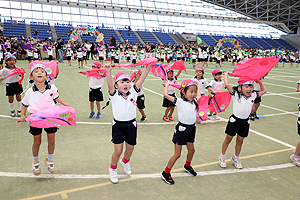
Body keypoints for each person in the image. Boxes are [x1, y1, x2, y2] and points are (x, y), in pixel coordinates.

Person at [104, 63, 151, 184]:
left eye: (127, 81)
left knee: (130, 149)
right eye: (122, 82)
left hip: (131, 125)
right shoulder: (113, 94)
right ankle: (113, 169)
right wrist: (108, 72)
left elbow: (142, 79)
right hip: (118, 126)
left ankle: (125, 161)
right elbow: (109, 84)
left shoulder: (134, 92)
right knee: (118, 151)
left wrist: (148, 68)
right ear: (116, 85)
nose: (125, 84)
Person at [19, 63, 69, 175]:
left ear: (46, 76)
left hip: (51, 118)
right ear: (31, 77)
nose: (39, 73)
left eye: (42, 71)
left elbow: (56, 97)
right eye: (36, 71)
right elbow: (24, 104)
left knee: (51, 140)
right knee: (37, 142)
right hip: (35, 119)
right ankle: (35, 162)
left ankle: (49, 160)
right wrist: (23, 115)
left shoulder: (53, 88)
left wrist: (64, 103)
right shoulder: (30, 92)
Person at [218, 72, 266, 169]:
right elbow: (227, 85)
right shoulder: (236, 94)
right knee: (228, 139)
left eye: (251, 86)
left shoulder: (253, 95)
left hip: (245, 122)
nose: (249, 89)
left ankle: (236, 157)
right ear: (240, 87)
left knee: (240, 141)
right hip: (234, 121)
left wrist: (259, 81)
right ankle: (222, 156)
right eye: (246, 86)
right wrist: (226, 74)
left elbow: (264, 90)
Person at [161, 79, 201, 185]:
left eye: (194, 92)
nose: (193, 94)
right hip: (182, 130)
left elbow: (199, 95)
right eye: (191, 91)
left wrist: (197, 84)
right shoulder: (179, 101)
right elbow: (166, 95)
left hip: (191, 129)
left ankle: (187, 165)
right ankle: (166, 172)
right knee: (177, 154)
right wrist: (167, 85)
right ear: (184, 92)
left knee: (192, 150)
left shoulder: (195, 101)